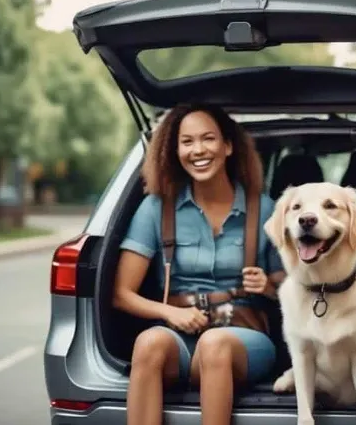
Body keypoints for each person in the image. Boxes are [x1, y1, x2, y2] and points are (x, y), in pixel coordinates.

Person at [112, 103, 285, 425]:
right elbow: (122, 294)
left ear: (228, 146)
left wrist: (268, 287)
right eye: (187, 141)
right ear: (175, 151)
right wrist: (170, 312)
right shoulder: (156, 208)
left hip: (244, 338)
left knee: (214, 343)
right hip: (180, 336)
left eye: (208, 138)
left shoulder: (263, 209)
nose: (198, 150)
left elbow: (295, 289)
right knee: (148, 343)